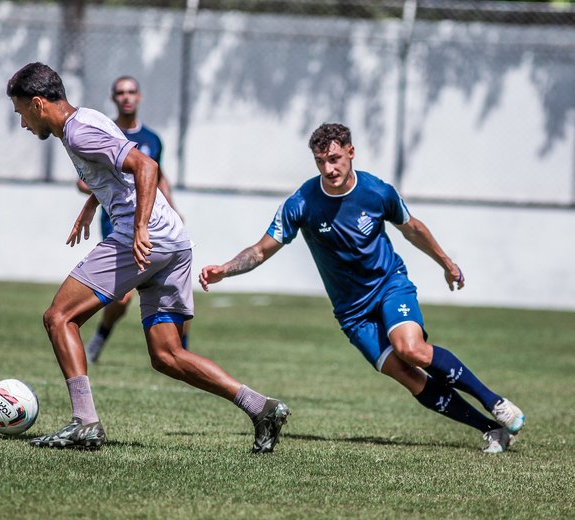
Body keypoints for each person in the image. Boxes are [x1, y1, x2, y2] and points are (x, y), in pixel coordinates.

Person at [6, 62, 289, 453]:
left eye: (21, 112)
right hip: (174, 240)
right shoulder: (86, 118)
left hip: (145, 237)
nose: (23, 124)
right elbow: (119, 167)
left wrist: (138, 228)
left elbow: (145, 165)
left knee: (59, 317)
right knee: (167, 355)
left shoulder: (78, 131)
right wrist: (94, 202)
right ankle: (262, 408)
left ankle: (85, 423)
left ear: (38, 104)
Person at [199, 123, 525, 453]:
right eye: (321, 162)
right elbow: (260, 250)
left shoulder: (377, 192)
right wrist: (225, 269)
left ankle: (494, 402)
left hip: (389, 286)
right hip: (353, 314)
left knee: (409, 349)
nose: (329, 169)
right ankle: (493, 430)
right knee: (407, 375)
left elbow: (411, 228)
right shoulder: (302, 203)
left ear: (351, 153)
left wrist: (446, 262)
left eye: (335, 159)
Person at [77, 76, 189, 364]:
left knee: (172, 291)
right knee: (122, 297)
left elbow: (156, 176)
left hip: (155, 226)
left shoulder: (153, 140)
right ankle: (101, 337)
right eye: (120, 93)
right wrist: (97, 187)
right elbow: (85, 180)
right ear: (114, 99)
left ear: (139, 97)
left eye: (131, 92)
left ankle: (181, 352)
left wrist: (174, 208)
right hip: (118, 223)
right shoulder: (109, 135)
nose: (126, 97)